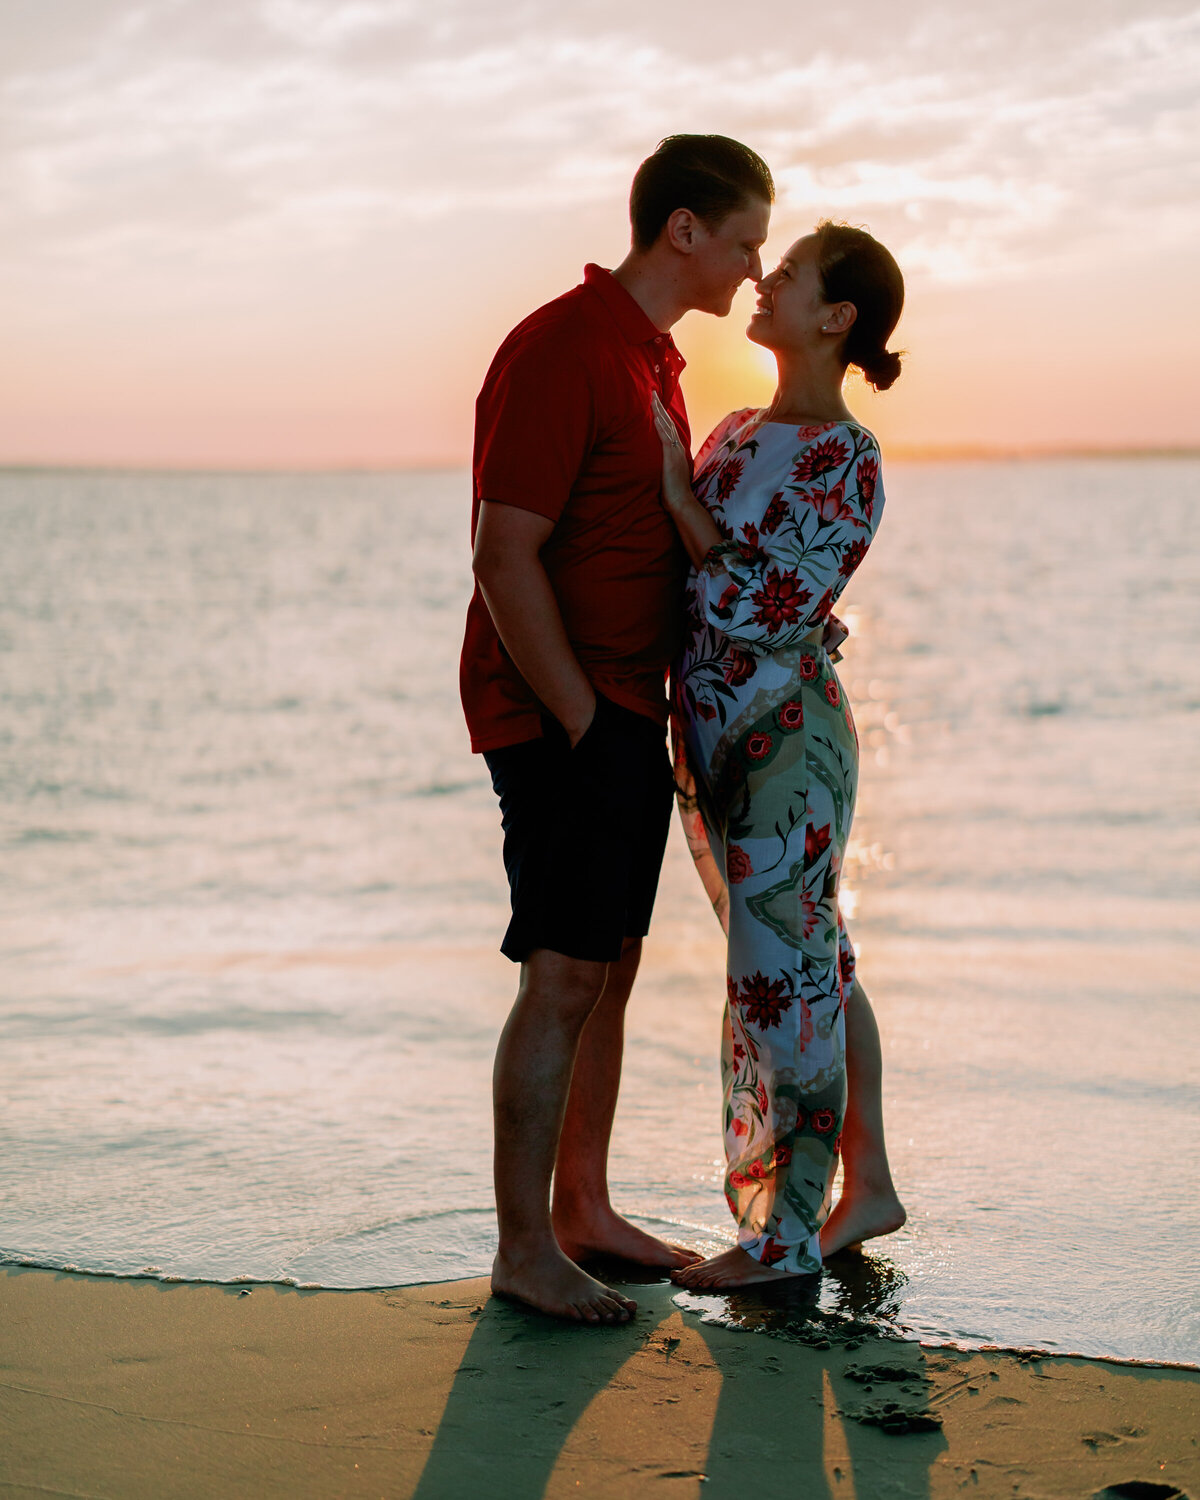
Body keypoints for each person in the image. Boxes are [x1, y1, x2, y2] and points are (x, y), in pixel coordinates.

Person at [461, 135, 774, 1323]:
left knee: (612, 968)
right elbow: (503, 554)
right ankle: (522, 1247)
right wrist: (586, 722)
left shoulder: (651, 359)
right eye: (743, 238)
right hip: (561, 714)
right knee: (563, 974)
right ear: (682, 229)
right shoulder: (565, 347)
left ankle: (581, 1209)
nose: (754, 266)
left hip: (626, 712)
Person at [651, 220, 907, 1289]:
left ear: (836, 318)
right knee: (807, 965)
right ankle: (871, 1186)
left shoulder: (848, 458)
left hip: (788, 746)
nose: (769, 278)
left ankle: (784, 1236)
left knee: (780, 983)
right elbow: (706, 594)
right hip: (715, 741)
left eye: (792, 272)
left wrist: (678, 502)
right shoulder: (736, 429)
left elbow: (763, 604)